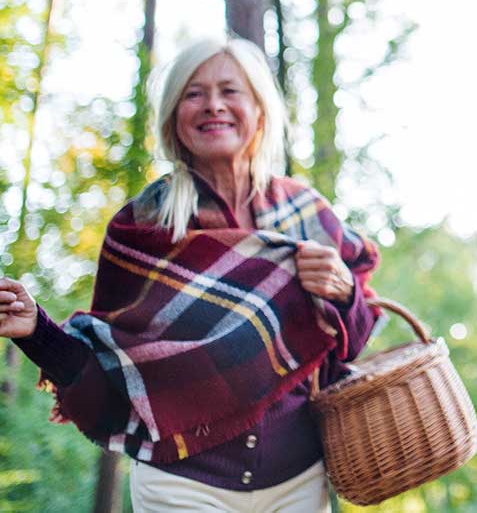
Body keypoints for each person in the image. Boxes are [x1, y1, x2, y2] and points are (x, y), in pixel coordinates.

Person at [0, 36, 379, 512]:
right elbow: (109, 370)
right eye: (194, 93)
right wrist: (37, 331)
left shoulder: (306, 215)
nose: (213, 105)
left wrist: (345, 294)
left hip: (300, 483)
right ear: (174, 117)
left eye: (230, 91)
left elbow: (356, 345)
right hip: (182, 486)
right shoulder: (142, 225)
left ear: (259, 111)